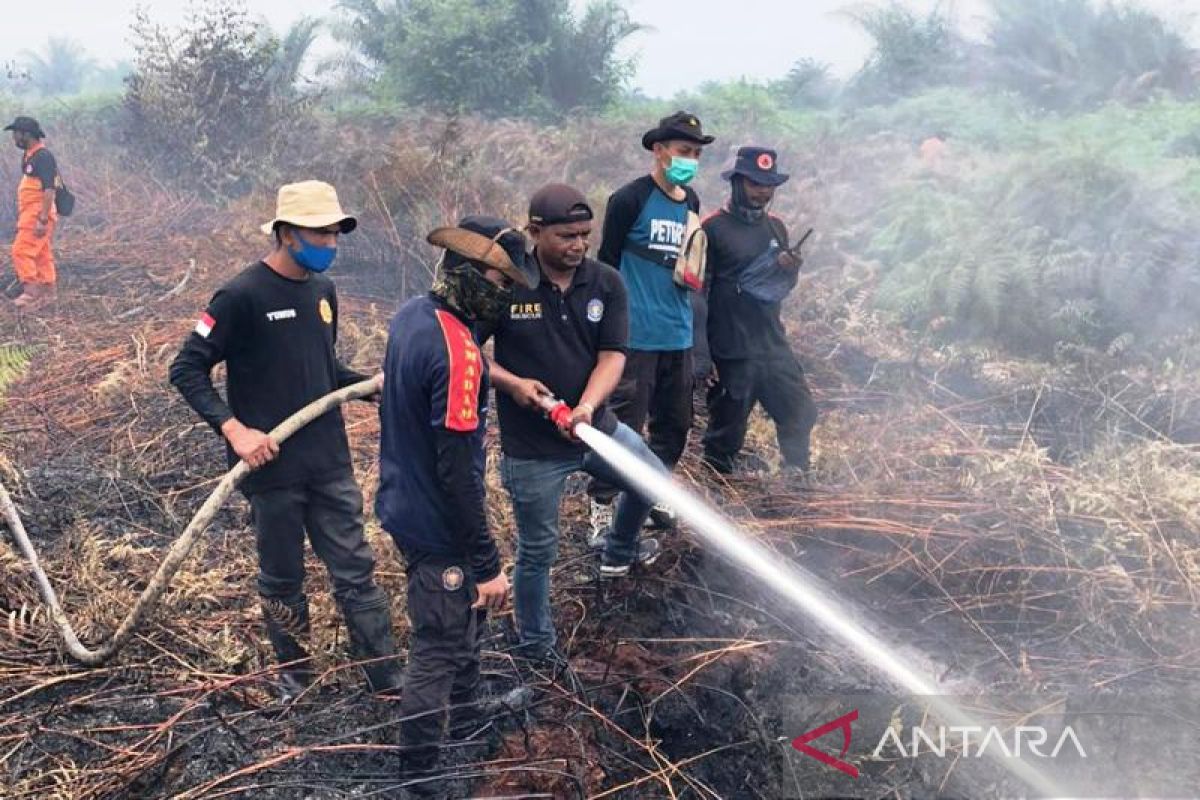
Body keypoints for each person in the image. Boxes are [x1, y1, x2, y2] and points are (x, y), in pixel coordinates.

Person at [169, 180, 401, 699]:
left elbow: (321, 368)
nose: (331, 244)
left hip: (329, 462)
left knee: (356, 570)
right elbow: (186, 369)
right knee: (281, 578)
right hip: (271, 466)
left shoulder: (323, 292)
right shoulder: (240, 296)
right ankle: (293, 681)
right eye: (321, 233)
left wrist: (367, 387)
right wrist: (235, 429)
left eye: (336, 234)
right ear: (286, 233)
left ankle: (385, 677)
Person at [482, 184, 666, 660]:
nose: (578, 245)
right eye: (566, 236)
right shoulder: (508, 282)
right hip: (533, 451)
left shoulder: (606, 282)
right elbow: (468, 353)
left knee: (652, 481)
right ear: (535, 232)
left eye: (585, 235)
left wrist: (586, 407)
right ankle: (537, 648)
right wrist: (513, 383)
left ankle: (619, 551)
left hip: (596, 429)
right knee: (538, 551)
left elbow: (612, 356)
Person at [376, 215, 530, 782]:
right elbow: (460, 475)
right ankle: (418, 773)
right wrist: (487, 562)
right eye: (500, 282)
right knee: (439, 640)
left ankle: (469, 718)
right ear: (469, 273)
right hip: (436, 521)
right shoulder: (460, 354)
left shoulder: (413, 316)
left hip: (401, 500)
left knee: (465, 612)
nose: (505, 296)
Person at [588, 111, 715, 538]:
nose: (690, 160)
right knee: (622, 427)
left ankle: (652, 492)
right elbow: (606, 264)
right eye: (683, 151)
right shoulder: (630, 199)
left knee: (674, 426)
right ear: (659, 151)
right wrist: (607, 330)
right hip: (635, 336)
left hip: (676, 334)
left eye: (696, 154)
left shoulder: (692, 201)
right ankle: (601, 505)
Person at [701, 146, 818, 477]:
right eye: (755, 184)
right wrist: (702, 351)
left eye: (769, 185)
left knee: (799, 408)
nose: (763, 192)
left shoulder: (777, 227)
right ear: (737, 182)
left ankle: (796, 473)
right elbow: (698, 293)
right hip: (730, 344)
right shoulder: (712, 228)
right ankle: (715, 482)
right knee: (729, 421)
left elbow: (779, 286)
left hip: (771, 340)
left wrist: (789, 269)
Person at [6, 116, 60, 309]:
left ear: (26, 134)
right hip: (30, 212)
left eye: (16, 134)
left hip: (38, 213)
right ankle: (48, 290)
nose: (14, 138)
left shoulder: (44, 156)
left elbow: (49, 189)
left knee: (20, 251)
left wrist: (43, 219)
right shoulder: (30, 155)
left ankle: (31, 291)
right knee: (41, 254)